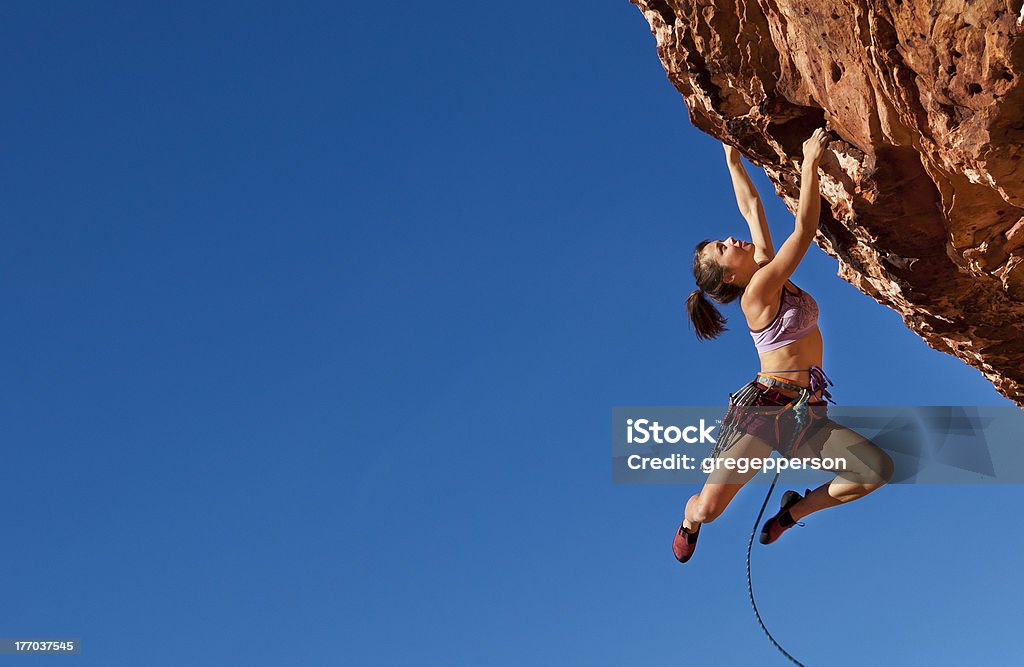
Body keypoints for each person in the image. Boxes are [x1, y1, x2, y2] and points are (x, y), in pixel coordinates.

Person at [673, 128, 894, 564]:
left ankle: (793, 511)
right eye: (724, 248)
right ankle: (689, 518)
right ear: (730, 278)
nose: (733, 240)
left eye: (725, 238)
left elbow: (752, 207)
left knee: (875, 471)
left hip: (805, 412)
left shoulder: (763, 269)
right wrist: (809, 163)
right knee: (711, 509)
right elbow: (805, 228)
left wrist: (732, 161)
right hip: (764, 411)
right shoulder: (757, 293)